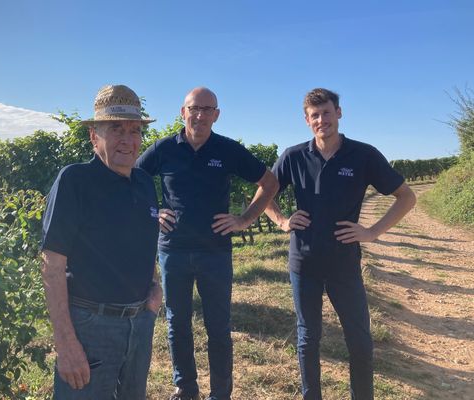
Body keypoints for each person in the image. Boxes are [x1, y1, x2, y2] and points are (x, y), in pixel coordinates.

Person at [262, 88, 416, 399]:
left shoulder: (363, 155)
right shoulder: (293, 156)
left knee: (359, 340)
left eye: (327, 113)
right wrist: (281, 221)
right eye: (315, 115)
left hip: (344, 263)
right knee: (308, 337)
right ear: (307, 120)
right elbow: (264, 194)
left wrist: (372, 232)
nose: (322, 120)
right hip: (303, 262)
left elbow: (407, 197)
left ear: (339, 114)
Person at [136, 87, 279, 400]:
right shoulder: (163, 149)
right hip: (172, 250)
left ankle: (220, 394)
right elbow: (132, 181)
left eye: (207, 109)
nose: (199, 115)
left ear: (217, 115)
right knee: (178, 324)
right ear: (183, 112)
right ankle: (185, 389)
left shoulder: (227, 150)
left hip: (215, 252)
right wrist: (152, 211)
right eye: (194, 108)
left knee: (218, 327)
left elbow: (269, 183)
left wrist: (244, 220)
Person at [40, 84, 163, 400]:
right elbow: (52, 265)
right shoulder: (75, 181)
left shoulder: (145, 183)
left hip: (139, 323)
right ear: (95, 135)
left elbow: (145, 243)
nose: (127, 139)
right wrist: (66, 344)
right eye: (116, 129)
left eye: (135, 130)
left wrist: (154, 287)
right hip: (91, 327)